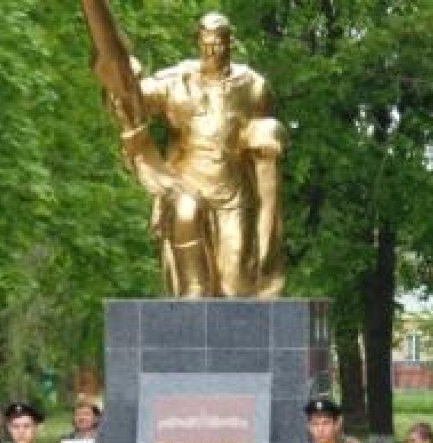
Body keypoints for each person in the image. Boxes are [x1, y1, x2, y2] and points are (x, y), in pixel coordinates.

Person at [83, 7, 285, 297]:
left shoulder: (253, 87)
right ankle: (189, 307)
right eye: (205, 44)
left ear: (230, 43)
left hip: (233, 193)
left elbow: (262, 150)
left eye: (218, 44)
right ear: (197, 42)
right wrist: (121, 78)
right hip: (187, 187)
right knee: (194, 287)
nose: (211, 51)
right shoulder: (176, 81)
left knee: (237, 289)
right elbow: (134, 100)